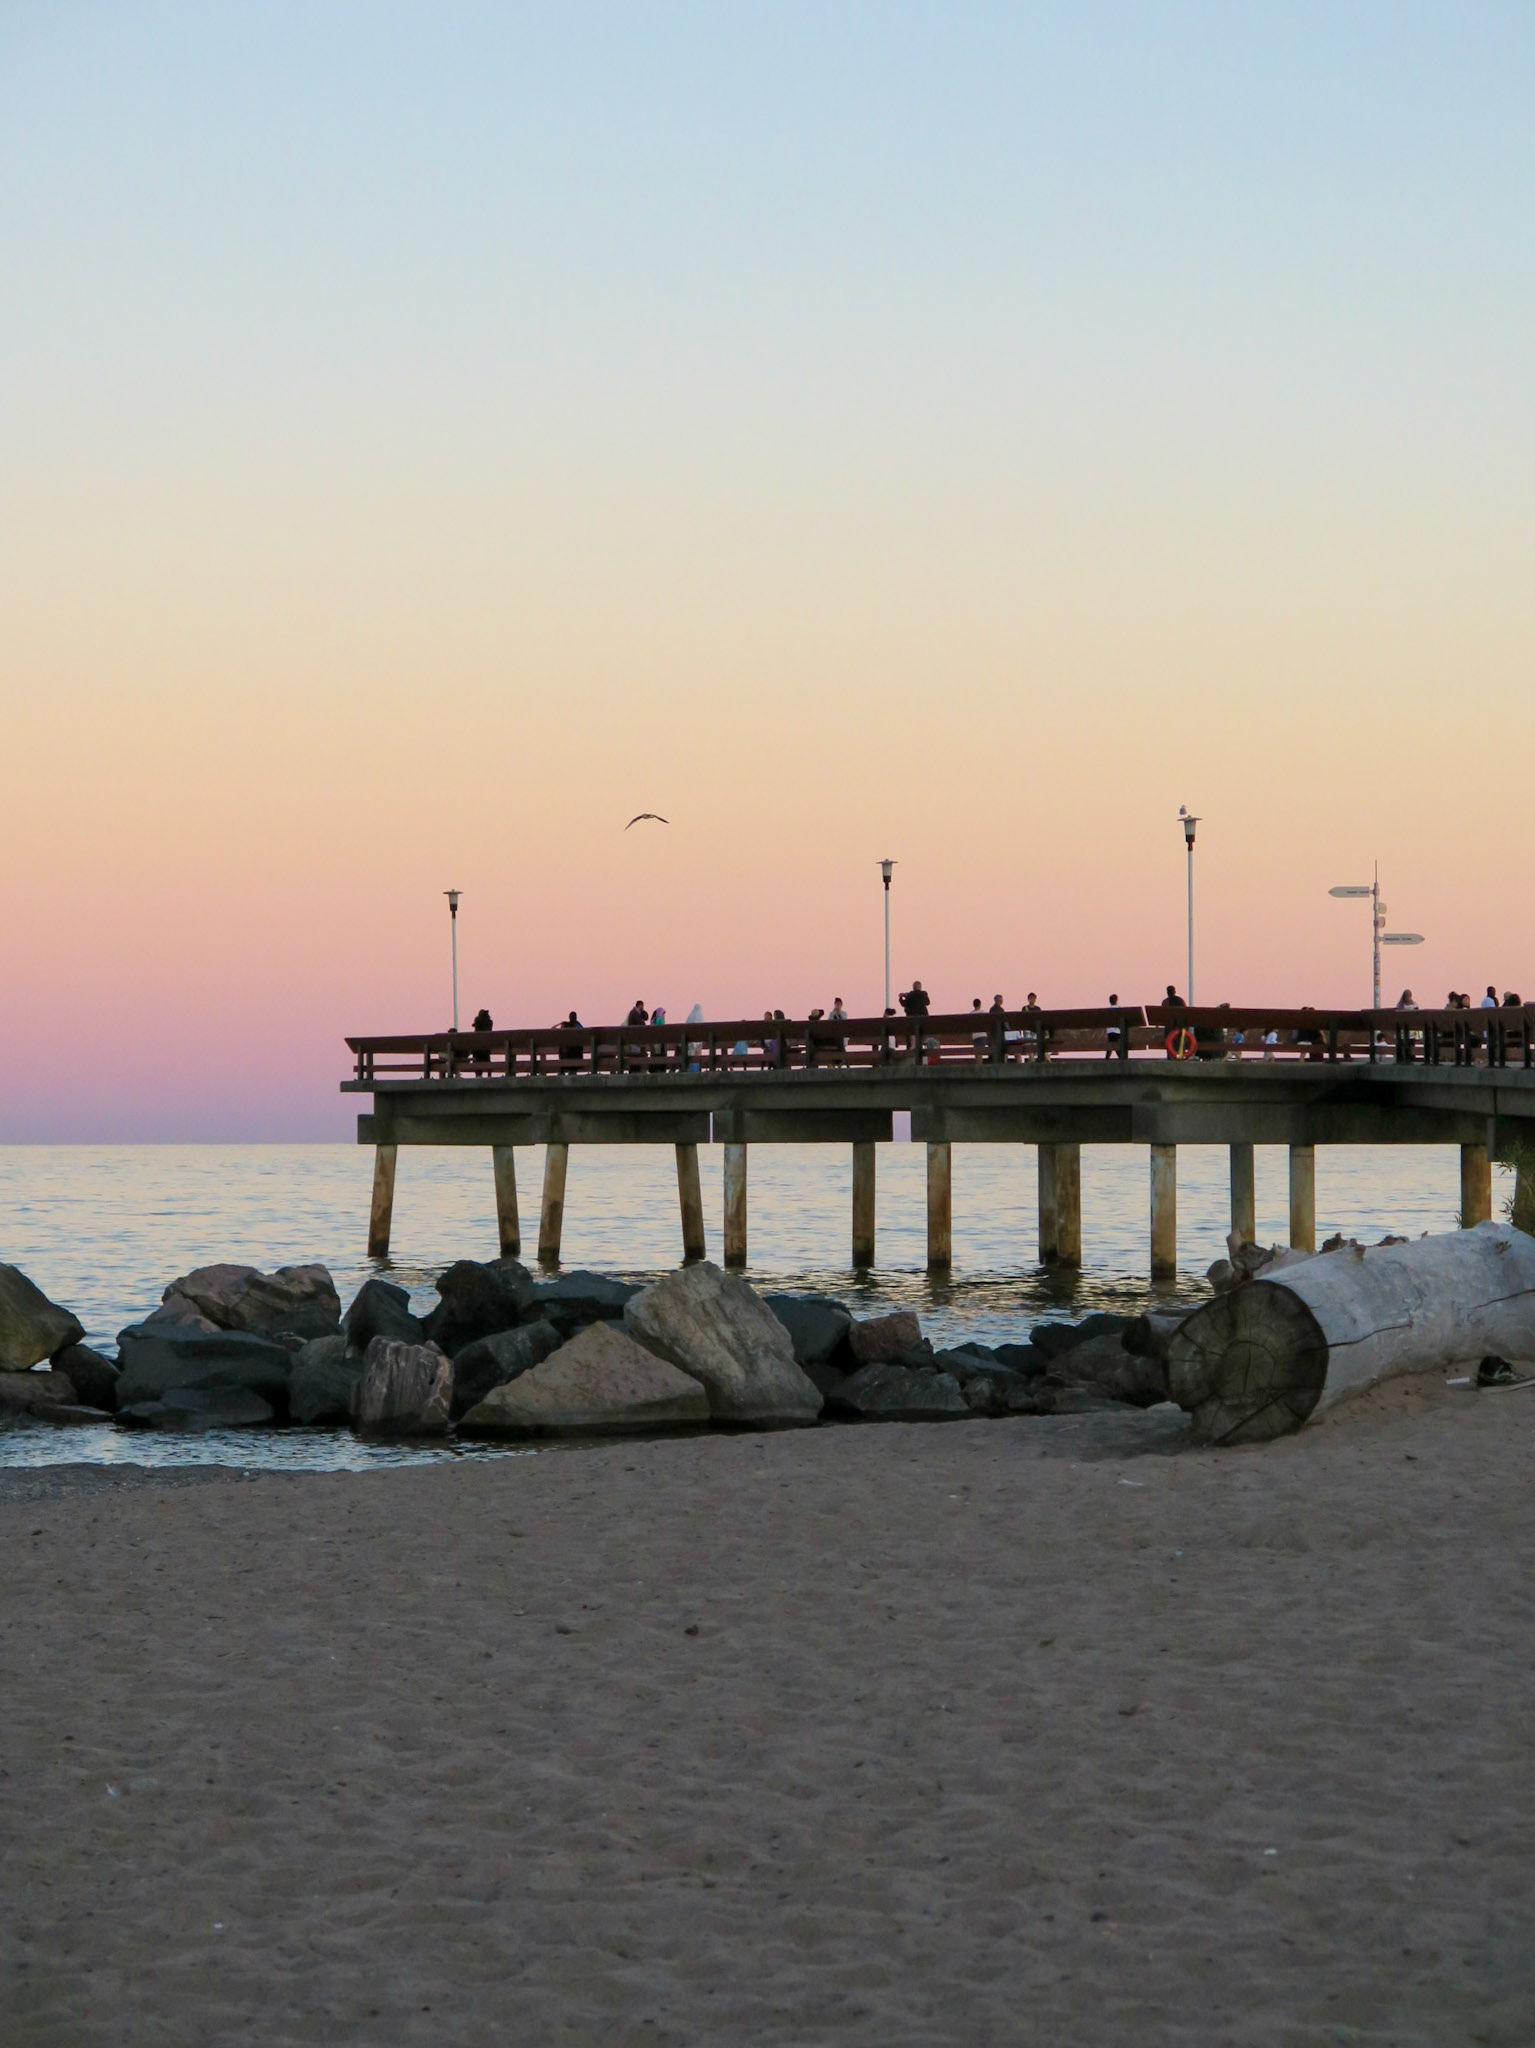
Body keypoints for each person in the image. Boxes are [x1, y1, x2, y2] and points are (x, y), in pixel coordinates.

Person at [470, 1006, 493, 1074]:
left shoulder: (477, 1021)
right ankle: (489, 1075)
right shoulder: (490, 1023)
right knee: (485, 1054)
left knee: (477, 1055)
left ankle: (478, 1075)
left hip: (478, 1051)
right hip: (486, 1051)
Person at [1104, 993, 1122, 1060]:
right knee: (1116, 1045)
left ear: (1110, 1001)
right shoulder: (1120, 1009)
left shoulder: (1108, 1010)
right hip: (1117, 1031)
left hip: (1110, 1031)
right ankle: (1122, 1059)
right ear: (1116, 1000)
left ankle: (1107, 1059)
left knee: (1111, 1045)